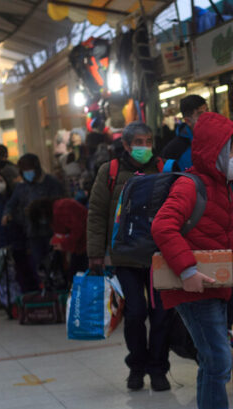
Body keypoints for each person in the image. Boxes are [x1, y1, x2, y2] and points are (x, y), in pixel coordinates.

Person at [151, 111, 233, 409]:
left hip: (212, 284)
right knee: (217, 358)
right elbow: (163, 226)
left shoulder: (220, 187)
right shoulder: (190, 184)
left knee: (211, 360)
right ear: (213, 151)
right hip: (193, 286)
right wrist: (186, 270)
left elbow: (208, 230)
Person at [87, 122, 174, 392]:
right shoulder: (109, 171)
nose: (144, 147)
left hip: (159, 255)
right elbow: (97, 213)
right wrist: (95, 254)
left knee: (162, 314)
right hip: (124, 255)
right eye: (138, 142)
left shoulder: (164, 169)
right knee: (135, 313)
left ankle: (158, 369)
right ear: (125, 145)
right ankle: (137, 367)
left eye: (148, 141)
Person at [2, 154, 65, 286]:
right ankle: (44, 289)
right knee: (39, 265)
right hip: (32, 233)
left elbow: (60, 203)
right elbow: (11, 204)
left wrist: (40, 209)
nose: (27, 173)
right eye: (24, 170)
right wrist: (7, 214)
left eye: (29, 168)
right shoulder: (21, 187)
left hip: (51, 231)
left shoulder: (50, 183)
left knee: (54, 263)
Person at [27, 197, 88, 283]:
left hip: (86, 243)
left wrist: (63, 244)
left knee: (78, 276)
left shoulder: (60, 210)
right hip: (83, 244)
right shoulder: (56, 210)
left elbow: (77, 229)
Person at [160, 94, 208, 172]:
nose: (207, 117)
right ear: (188, 121)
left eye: (207, 111)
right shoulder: (174, 149)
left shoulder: (217, 138)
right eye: (200, 114)